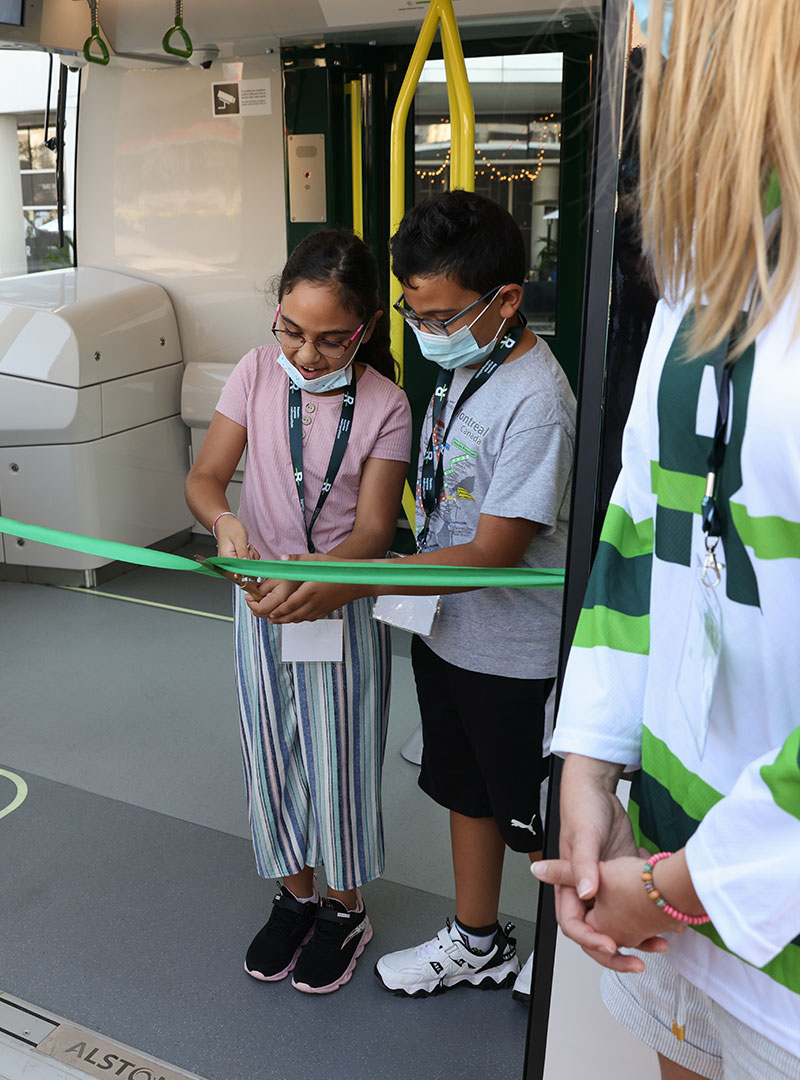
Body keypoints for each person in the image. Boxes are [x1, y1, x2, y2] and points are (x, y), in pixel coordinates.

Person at [533, 1, 800, 1076]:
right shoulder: (709, 259)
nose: (642, 42)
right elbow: (641, 529)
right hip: (680, 913)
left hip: (721, 907)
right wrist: (588, 773)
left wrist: (674, 891)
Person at [260, 191, 576, 1001]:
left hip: (514, 650)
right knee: (463, 793)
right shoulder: (470, 369)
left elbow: (495, 550)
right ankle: (478, 939)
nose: (425, 332)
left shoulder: (538, 401)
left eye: (440, 317)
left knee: (538, 814)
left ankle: (572, 955)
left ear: (506, 300)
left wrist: (353, 577)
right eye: (413, 312)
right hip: (449, 632)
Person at [185, 229, 412, 994]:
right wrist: (225, 523)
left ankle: (347, 908)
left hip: (338, 602)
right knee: (272, 758)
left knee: (338, 762)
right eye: (290, 330)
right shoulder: (254, 372)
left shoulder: (385, 405)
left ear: (367, 328)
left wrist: (320, 575)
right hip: (258, 600)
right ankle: (298, 892)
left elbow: (376, 531)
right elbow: (209, 476)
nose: (305, 355)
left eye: (328, 339)